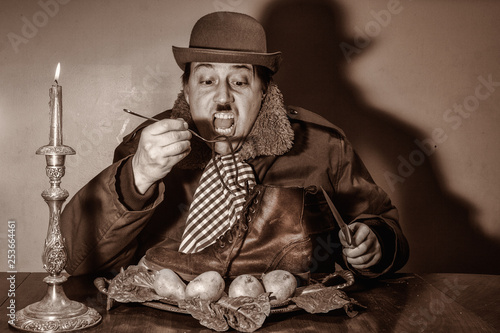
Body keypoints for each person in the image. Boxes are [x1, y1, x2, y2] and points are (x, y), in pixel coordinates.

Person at [61, 12, 409, 281]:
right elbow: (75, 259)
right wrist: (137, 176)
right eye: (207, 80)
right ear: (186, 90)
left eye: (240, 81)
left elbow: (381, 222)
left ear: (264, 91)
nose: (223, 97)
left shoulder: (324, 146)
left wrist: (376, 242)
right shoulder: (148, 146)